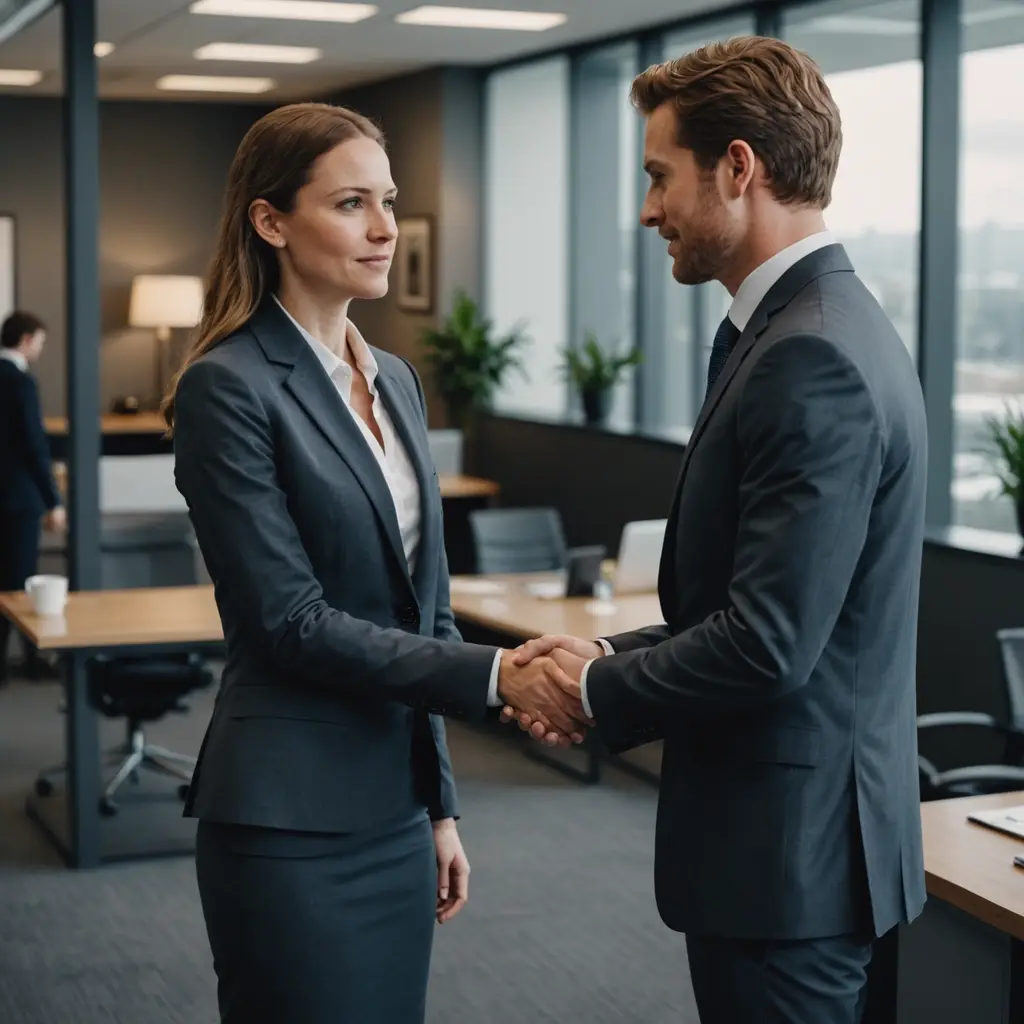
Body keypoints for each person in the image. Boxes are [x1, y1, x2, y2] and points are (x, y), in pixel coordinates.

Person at [507, 37, 928, 1024]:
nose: (647, 209)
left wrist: (595, 688)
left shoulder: (808, 354)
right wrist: (603, 652)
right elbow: (758, 608)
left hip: (792, 867)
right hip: (806, 854)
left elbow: (768, 644)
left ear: (737, 167)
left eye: (659, 177)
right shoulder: (807, 326)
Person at [164, 102, 586, 1024]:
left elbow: (420, 606)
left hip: (394, 809)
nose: (386, 227)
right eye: (352, 203)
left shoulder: (395, 378)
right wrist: (499, 675)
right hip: (288, 816)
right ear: (271, 221)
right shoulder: (225, 388)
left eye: (388, 201)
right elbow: (289, 622)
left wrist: (437, 806)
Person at [0, 311, 65, 685]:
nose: (40, 348)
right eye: (39, 341)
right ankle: (30, 660)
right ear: (25, 339)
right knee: (22, 581)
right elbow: (34, 448)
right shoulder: (22, 384)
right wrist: (53, 500)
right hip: (19, 499)